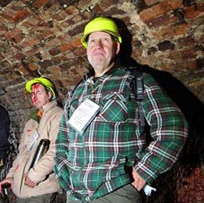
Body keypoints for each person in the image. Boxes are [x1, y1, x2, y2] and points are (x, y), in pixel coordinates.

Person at [54, 16, 188, 203]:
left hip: (115, 190)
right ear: (86, 49)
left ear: (116, 48)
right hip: (75, 194)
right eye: (92, 40)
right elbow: (62, 140)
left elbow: (173, 127)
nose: (98, 45)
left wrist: (144, 170)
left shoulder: (136, 81)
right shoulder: (76, 91)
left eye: (105, 40)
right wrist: (62, 174)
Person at [0, 77, 63, 203]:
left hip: (41, 188)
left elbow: (58, 150)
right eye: (32, 94)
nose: (34, 97)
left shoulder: (58, 116)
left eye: (39, 93)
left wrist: (35, 175)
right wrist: (12, 176)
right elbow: (23, 153)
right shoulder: (32, 121)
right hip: (21, 189)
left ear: (49, 94)